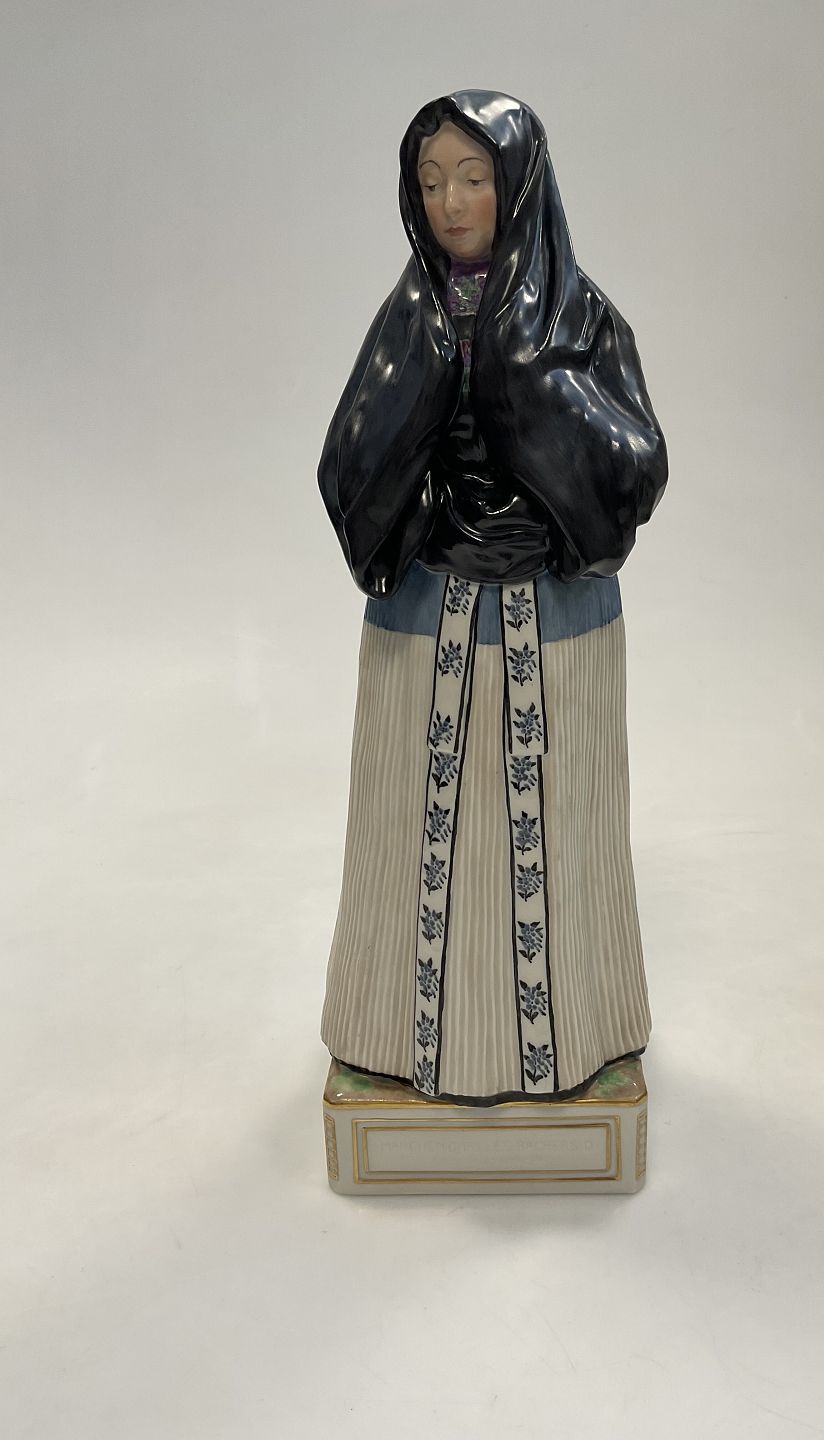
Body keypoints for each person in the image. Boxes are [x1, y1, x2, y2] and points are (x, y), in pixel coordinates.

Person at [317, 89, 667, 1105]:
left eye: (474, 178)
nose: (451, 202)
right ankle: (401, 1033)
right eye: (431, 181)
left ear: (518, 187)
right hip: (428, 610)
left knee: (558, 823)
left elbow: (636, 465)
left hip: (554, 617)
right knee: (414, 823)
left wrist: (537, 407)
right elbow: (351, 461)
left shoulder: (579, 321)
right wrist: (428, 472)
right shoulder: (410, 321)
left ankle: (574, 1030)